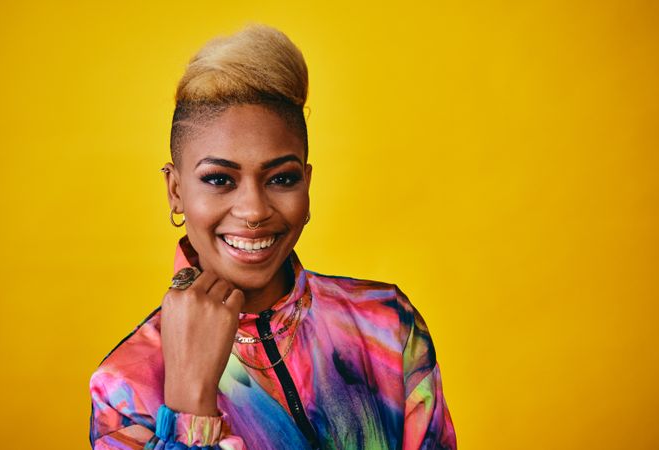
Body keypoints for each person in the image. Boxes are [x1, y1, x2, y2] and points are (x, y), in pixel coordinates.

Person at [89, 23, 457, 450]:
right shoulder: (125, 386)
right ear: (175, 191)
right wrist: (190, 402)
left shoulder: (388, 325)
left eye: (281, 178)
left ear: (307, 183)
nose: (255, 211)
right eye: (220, 179)